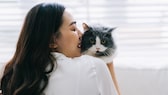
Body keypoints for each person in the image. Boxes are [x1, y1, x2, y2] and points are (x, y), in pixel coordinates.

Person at [0, 3, 120, 95]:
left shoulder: (12, 71)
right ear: (52, 41)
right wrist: (108, 63)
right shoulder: (93, 67)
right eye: (73, 29)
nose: (81, 34)